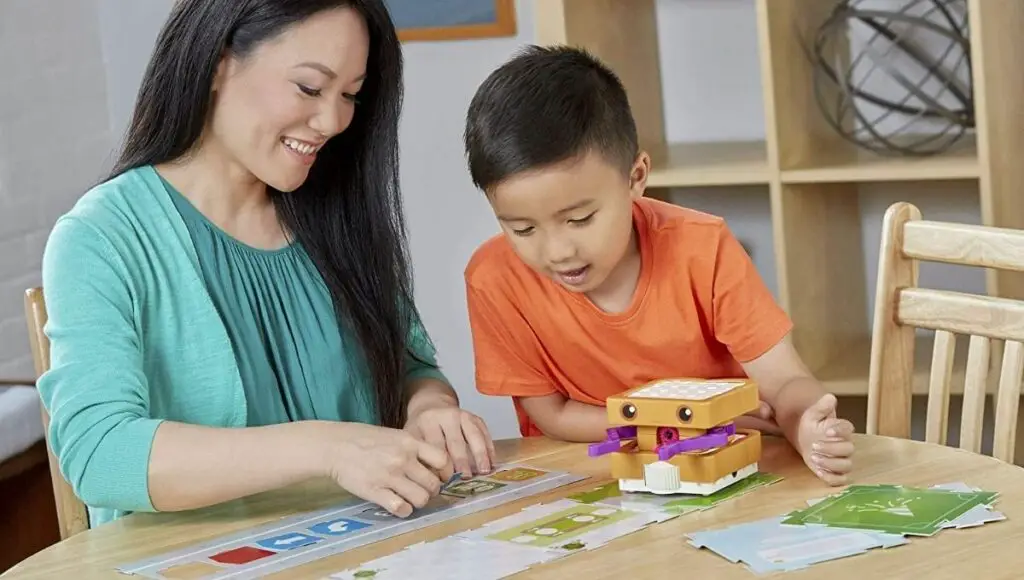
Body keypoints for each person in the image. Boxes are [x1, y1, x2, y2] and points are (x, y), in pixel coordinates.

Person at [37, 0, 495, 528]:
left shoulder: (335, 216)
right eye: (308, 87)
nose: (333, 120)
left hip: (365, 548)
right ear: (218, 64)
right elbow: (100, 453)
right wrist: (328, 449)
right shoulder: (104, 237)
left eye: (350, 95)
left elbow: (411, 368)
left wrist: (429, 410)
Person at [461, 45, 855, 485]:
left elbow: (785, 382)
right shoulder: (493, 280)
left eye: (579, 219)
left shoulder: (701, 248)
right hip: (588, 480)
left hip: (720, 469)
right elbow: (552, 416)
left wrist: (806, 425)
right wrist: (686, 423)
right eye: (522, 229)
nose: (557, 251)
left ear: (636, 177)